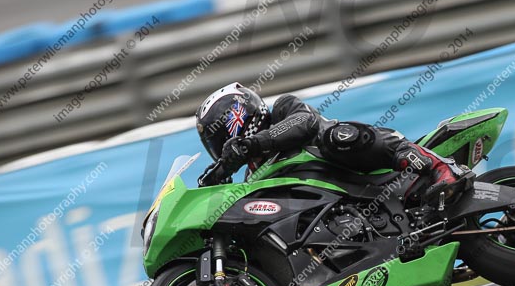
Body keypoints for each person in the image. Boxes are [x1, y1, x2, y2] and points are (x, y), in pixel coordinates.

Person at [195, 82, 465, 200]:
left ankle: (439, 167)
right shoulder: (252, 178)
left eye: (218, 136)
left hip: (363, 170)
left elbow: (305, 123)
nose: (218, 146)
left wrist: (251, 144)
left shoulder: (283, 109)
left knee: (337, 137)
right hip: (346, 207)